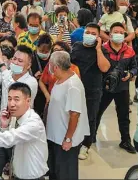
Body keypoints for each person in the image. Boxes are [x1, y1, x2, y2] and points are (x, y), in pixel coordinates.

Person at [46, 51, 90, 180]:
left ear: (56, 67)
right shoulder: (60, 80)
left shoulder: (72, 86)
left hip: (65, 140)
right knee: (55, 171)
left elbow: (74, 114)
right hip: (55, 136)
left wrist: (68, 139)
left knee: (66, 174)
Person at [71, 23, 111, 160]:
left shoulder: (102, 51)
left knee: (90, 118)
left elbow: (105, 68)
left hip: (92, 90)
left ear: (99, 37)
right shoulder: (76, 46)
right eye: (87, 32)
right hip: (75, 88)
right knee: (73, 115)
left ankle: (86, 145)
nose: (90, 35)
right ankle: (74, 140)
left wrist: (99, 49)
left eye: (94, 34)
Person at [96, 22, 138, 154]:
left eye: (121, 32)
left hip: (122, 87)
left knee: (124, 115)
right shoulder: (102, 49)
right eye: (116, 31)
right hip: (105, 87)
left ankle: (125, 141)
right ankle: (90, 137)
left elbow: (134, 67)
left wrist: (131, 74)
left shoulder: (129, 51)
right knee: (97, 112)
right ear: (110, 34)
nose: (119, 34)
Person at [0, 43, 38, 110]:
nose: (15, 62)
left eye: (20, 61)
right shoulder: (7, 74)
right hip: (3, 118)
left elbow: (12, 89)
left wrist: (1, 63)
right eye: (14, 59)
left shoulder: (32, 82)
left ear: (29, 65)